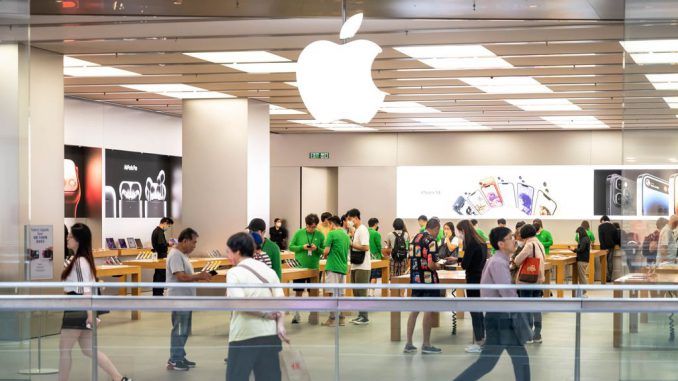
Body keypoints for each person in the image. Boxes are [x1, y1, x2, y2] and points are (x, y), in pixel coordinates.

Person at [453, 226, 531, 381]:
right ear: (501, 244)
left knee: (499, 361)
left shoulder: (498, 261)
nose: (514, 240)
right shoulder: (498, 263)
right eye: (510, 238)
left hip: (498, 317)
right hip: (500, 319)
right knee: (499, 361)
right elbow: (507, 293)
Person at [60, 223, 132, 381]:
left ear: (78, 240)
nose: (67, 238)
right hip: (80, 309)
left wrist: (90, 315)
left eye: (70, 236)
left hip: (76, 309)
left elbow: (85, 290)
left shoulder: (79, 262)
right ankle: (118, 377)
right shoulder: (81, 260)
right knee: (88, 349)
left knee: (65, 350)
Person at [224, 232, 289, 381]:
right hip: (270, 335)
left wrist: (265, 313)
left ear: (238, 252)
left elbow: (240, 303)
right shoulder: (268, 271)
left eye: (228, 251)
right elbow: (280, 300)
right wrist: (280, 325)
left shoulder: (234, 273)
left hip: (244, 335)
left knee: (236, 377)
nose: (227, 255)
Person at [166, 228, 212, 371]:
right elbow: (181, 276)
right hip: (179, 299)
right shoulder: (175, 255)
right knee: (179, 328)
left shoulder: (183, 255)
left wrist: (198, 275)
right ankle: (174, 360)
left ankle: (179, 355)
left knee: (184, 329)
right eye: (193, 242)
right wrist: (199, 276)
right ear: (185, 241)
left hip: (186, 298)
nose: (194, 246)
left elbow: (186, 275)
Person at [403, 218, 445, 355]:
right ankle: (426, 344)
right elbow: (431, 264)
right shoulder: (431, 241)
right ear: (436, 229)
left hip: (415, 279)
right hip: (428, 281)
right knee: (428, 310)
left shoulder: (415, 237)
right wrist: (440, 265)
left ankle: (408, 343)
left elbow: (411, 259)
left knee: (414, 311)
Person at [288, 213, 325, 324]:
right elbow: (291, 246)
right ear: (306, 225)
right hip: (300, 267)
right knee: (298, 291)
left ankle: (313, 316)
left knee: (313, 293)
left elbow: (324, 250)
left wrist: (317, 248)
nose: (312, 229)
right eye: (311, 227)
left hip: (314, 267)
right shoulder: (299, 233)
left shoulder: (320, 235)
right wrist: (302, 247)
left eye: (315, 227)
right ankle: (296, 315)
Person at [457, 219, 488, 353]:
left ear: (463, 231)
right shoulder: (481, 241)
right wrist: (458, 259)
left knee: (474, 311)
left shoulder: (470, 244)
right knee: (479, 310)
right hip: (481, 277)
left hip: (472, 279)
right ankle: (482, 339)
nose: (459, 235)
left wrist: (460, 261)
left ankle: (479, 341)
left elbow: (465, 264)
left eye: (459, 232)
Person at [513, 224, 546, 343]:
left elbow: (517, 260)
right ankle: (537, 334)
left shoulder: (529, 245)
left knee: (526, 307)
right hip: (538, 280)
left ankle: (528, 335)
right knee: (536, 308)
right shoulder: (539, 243)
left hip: (527, 281)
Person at [321, 215, 351, 326]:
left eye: (329, 224)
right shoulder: (346, 235)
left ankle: (332, 319)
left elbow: (326, 251)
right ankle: (342, 319)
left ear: (332, 224)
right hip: (343, 267)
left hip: (333, 266)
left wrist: (324, 254)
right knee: (341, 294)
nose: (328, 227)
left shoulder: (332, 234)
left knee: (332, 294)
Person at [347, 208, 372, 325]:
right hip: (356, 265)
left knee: (362, 292)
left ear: (356, 218)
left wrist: (352, 244)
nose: (349, 222)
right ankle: (360, 315)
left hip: (363, 265)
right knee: (356, 291)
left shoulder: (363, 230)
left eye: (350, 219)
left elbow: (366, 247)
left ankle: (365, 316)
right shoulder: (356, 230)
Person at [151, 217, 174, 296]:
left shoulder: (155, 231)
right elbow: (161, 245)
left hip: (159, 255)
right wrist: (169, 244)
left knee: (158, 274)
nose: (168, 227)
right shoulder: (160, 232)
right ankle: (158, 293)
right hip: (161, 256)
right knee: (160, 275)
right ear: (165, 223)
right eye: (169, 226)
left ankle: (157, 293)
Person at [570, 226, 591, 296]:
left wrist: (574, 249)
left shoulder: (583, 239)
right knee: (582, 276)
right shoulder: (586, 238)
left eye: (578, 233)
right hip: (585, 260)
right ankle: (583, 291)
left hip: (582, 260)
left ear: (580, 233)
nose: (577, 235)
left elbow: (581, 249)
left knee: (582, 277)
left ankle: (584, 292)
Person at [598, 215, 620, 281]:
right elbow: (616, 238)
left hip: (603, 248)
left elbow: (600, 238)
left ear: (603, 220)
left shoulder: (600, 227)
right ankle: (609, 277)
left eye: (601, 221)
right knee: (610, 262)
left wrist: (604, 247)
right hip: (611, 247)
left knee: (603, 262)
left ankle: (603, 277)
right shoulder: (613, 226)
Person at [368, 218, 383, 292]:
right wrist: (381, 255)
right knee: (374, 275)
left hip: (366, 257)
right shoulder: (376, 233)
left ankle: (368, 291)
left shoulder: (366, 232)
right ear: (376, 224)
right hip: (375, 258)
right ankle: (371, 292)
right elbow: (379, 246)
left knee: (368, 275)